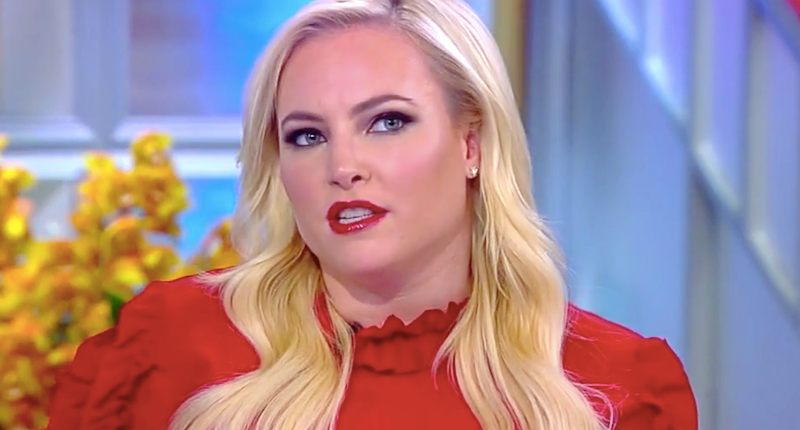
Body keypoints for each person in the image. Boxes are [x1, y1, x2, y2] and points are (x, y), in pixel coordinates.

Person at [47, 0, 697, 429]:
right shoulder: (165, 351)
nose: (343, 165)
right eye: (307, 136)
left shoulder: (615, 387)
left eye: (387, 122)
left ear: (472, 143)